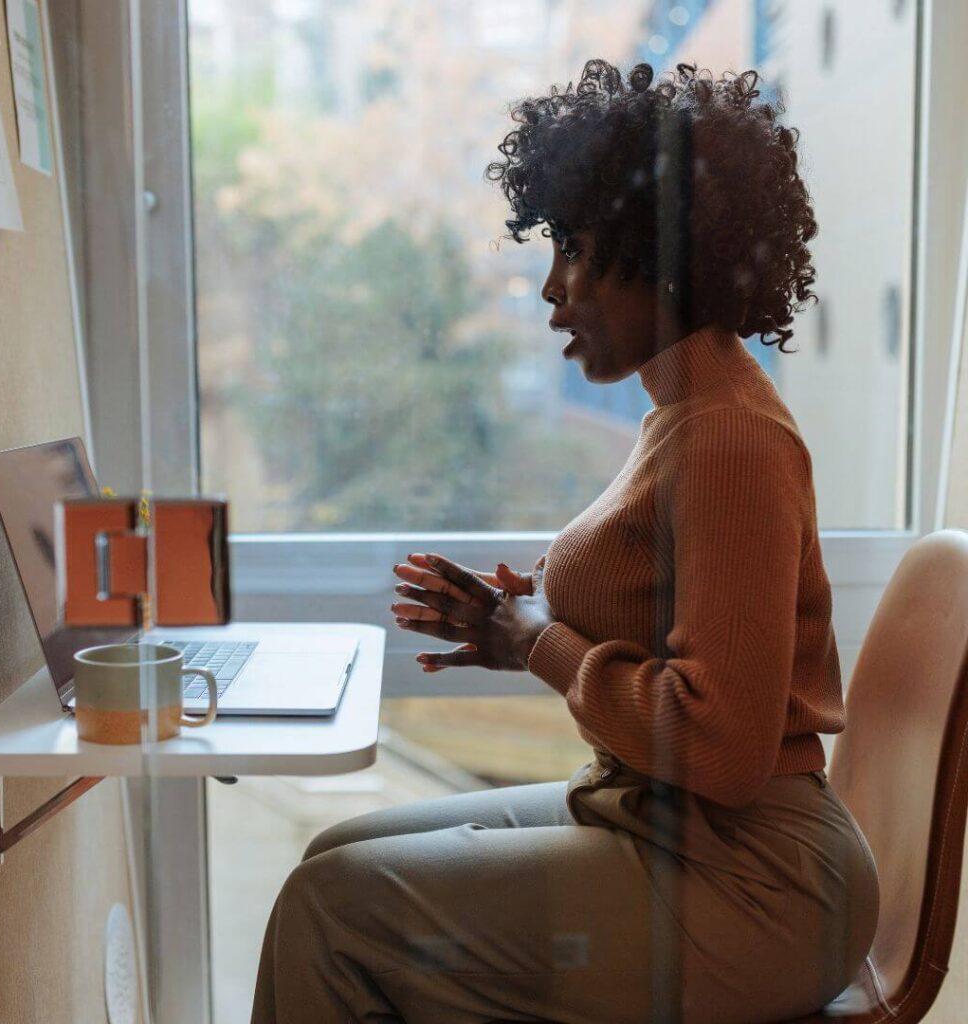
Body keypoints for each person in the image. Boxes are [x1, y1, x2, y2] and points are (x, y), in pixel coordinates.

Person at [250, 59, 880, 1024]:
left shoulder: (728, 436)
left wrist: (535, 643)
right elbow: (665, 618)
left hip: (762, 880)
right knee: (332, 855)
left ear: (660, 254)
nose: (551, 289)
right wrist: (535, 611)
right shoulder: (685, 414)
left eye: (576, 248)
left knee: (329, 914)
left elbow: (722, 746)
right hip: (667, 823)